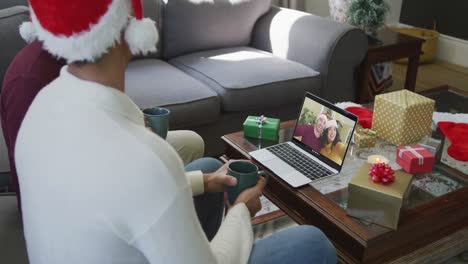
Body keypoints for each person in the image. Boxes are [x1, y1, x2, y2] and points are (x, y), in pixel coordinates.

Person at [14, 0, 337, 263]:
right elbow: (134, 184)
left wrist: (203, 182)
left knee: (210, 169)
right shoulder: (145, 160)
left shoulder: (40, 108)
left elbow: (107, 195)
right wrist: (240, 213)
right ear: (128, 25)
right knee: (312, 242)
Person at [0, 41, 204, 214]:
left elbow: (96, 114)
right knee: (206, 171)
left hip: (97, 154)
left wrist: (131, 125)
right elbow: (46, 179)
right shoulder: (29, 82)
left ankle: (176, 203)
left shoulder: (78, 53)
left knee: (191, 142)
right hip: (67, 198)